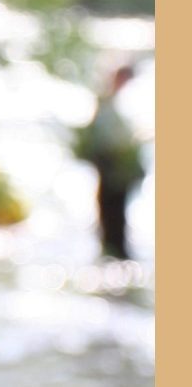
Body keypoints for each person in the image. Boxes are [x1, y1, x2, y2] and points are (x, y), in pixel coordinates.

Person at [75, 65, 144, 260]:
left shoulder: (119, 104)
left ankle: (115, 253)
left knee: (116, 215)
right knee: (110, 213)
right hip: (110, 168)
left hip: (119, 171)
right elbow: (101, 139)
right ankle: (112, 253)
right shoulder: (105, 103)